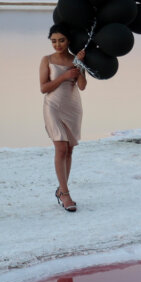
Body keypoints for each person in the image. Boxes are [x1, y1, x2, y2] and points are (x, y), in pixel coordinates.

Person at [40, 25, 87, 211]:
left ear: (68, 40)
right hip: (53, 106)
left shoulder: (76, 59)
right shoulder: (47, 60)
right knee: (60, 148)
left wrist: (80, 66)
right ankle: (66, 195)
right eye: (53, 41)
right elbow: (43, 88)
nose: (57, 44)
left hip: (73, 107)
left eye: (61, 40)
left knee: (69, 150)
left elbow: (82, 86)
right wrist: (65, 75)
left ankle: (61, 189)